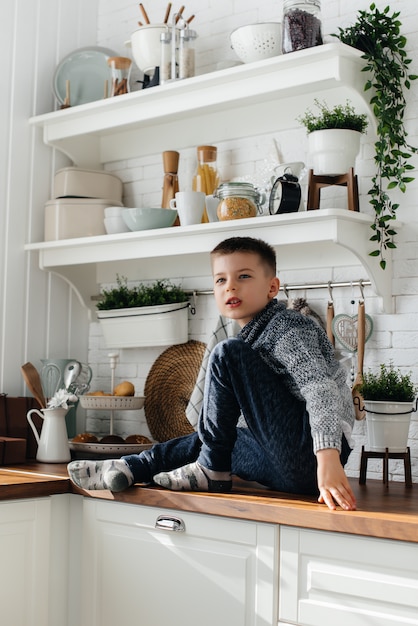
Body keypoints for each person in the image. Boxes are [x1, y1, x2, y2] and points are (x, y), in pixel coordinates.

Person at [68, 236, 356, 511]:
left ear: (272, 287)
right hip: (281, 468)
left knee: (227, 352)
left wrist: (328, 457)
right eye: (221, 279)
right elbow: (223, 431)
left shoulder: (289, 326)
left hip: (313, 458)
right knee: (215, 436)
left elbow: (319, 386)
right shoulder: (249, 339)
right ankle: (131, 467)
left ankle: (212, 471)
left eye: (243, 276)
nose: (230, 287)